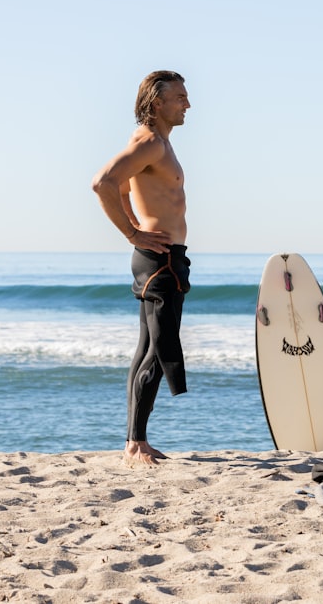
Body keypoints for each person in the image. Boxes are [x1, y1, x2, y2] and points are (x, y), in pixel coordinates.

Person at [91, 71, 192, 466]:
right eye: (180, 97)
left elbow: (121, 187)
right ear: (157, 102)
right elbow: (103, 182)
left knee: (147, 349)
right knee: (157, 349)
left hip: (164, 257)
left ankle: (136, 441)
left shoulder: (159, 144)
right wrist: (133, 233)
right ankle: (136, 444)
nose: (188, 104)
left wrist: (135, 226)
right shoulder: (150, 142)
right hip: (158, 259)